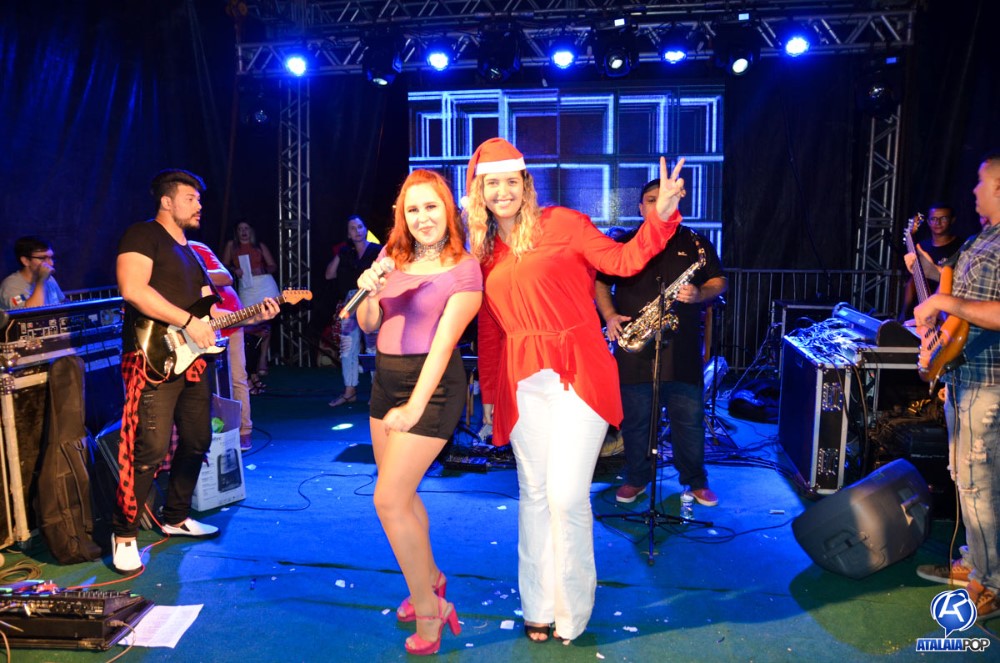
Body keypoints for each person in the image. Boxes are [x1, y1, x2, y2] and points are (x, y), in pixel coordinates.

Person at [467, 137, 686, 643]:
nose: (502, 192)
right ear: (479, 191)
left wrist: (661, 219)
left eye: (510, 181)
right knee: (534, 495)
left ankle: (573, 611)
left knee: (566, 497)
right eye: (491, 183)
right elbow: (491, 330)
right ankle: (537, 607)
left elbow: (624, 261)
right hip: (521, 381)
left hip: (577, 372)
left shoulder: (564, 224)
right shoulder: (484, 251)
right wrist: (491, 397)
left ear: (525, 183)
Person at [112, 169, 279, 574]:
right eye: (191, 198)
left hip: (192, 360)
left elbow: (210, 313)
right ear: (167, 201)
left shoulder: (192, 253)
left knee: (198, 439)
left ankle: (176, 516)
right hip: (153, 357)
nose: (199, 205)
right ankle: (124, 534)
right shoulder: (142, 235)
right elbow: (133, 289)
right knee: (150, 450)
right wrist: (187, 321)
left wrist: (253, 314)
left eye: (199, 199)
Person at [355, 169, 480, 655]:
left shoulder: (464, 268)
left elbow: (444, 347)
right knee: (402, 495)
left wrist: (413, 407)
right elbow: (369, 324)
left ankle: (432, 609)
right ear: (401, 216)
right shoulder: (391, 255)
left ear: (447, 210)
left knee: (388, 500)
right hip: (385, 379)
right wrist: (369, 289)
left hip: (433, 387)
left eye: (431, 207)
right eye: (413, 209)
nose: (422, 217)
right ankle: (429, 577)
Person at [595, 177, 727, 506]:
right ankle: (636, 478)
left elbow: (719, 281)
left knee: (689, 422)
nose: (657, 205)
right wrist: (609, 316)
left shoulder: (696, 243)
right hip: (635, 350)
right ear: (640, 208)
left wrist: (700, 292)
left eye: (662, 198)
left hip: (682, 351)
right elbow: (600, 283)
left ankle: (695, 481)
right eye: (650, 200)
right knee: (636, 421)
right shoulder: (623, 243)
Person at [912, 153, 1000, 620]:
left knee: (983, 485)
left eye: (981, 183)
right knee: (968, 482)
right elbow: (962, 304)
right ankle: (977, 563)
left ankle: (992, 583)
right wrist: (946, 363)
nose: (973, 191)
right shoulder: (980, 239)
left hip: (990, 382)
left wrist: (945, 302)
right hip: (965, 377)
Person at [188, 240, 255, 452]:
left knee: (237, 377)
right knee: (203, 382)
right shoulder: (161, 255)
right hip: (199, 325)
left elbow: (226, 277)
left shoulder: (195, 247)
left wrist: (191, 274)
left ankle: (244, 430)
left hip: (229, 317)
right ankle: (214, 432)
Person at [325, 215, 381, 407]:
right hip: (350, 302)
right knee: (348, 346)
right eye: (352, 228)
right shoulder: (345, 252)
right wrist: (340, 253)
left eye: (359, 227)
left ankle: (377, 391)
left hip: (371, 298)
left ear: (366, 229)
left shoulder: (377, 250)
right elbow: (329, 275)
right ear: (348, 233)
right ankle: (350, 391)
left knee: (373, 346)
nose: (357, 231)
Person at [222, 220, 279, 379]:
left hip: (263, 284)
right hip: (246, 285)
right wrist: (234, 269)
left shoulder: (259, 245)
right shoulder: (231, 246)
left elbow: (273, 266)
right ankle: (249, 361)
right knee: (246, 321)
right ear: (237, 232)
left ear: (251, 231)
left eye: (246, 228)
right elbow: (223, 265)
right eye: (240, 229)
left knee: (265, 321)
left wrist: (262, 269)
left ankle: (262, 359)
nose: (243, 232)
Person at [900, 204, 964, 321]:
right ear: (928, 222)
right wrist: (904, 312)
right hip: (922, 310)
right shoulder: (922, 247)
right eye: (933, 219)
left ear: (952, 220)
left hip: (947, 312)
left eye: (943, 218)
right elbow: (912, 281)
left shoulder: (962, 246)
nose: (937, 223)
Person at [0, 236, 66, 310]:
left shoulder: (50, 279)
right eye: (42, 258)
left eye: (51, 258)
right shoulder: (11, 286)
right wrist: (41, 281)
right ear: (25, 261)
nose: (51, 263)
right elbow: (30, 313)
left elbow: (63, 302)